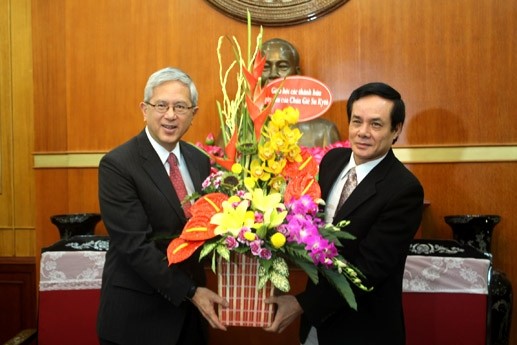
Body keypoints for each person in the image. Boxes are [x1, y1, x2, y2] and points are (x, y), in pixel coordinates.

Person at [265, 82, 424, 345]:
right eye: (356, 121)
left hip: (364, 327)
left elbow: (368, 269)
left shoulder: (404, 189)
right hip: (317, 324)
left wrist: (302, 304)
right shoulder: (332, 161)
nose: (363, 132)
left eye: (376, 124)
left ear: (396, 130)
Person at [96, 67, 228, 345]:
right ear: (144, 109)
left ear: (193, 113)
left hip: (190, 319)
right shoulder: (118, 165)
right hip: (139, 321)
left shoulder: (199, 160)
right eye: (161, 105)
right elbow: (135, 247)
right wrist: (191, 291)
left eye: (180, 106)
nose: (170, 115)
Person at [261, 38, 341, 148]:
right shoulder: (238, 131)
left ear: (297, 73)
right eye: (265, 67)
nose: (273, 74)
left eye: (283, 67)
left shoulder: (324, 131)